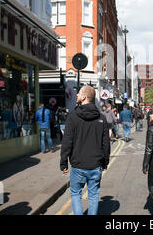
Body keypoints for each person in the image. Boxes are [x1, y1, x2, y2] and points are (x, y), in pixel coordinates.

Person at [60, 86, 110, 215]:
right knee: (93, 196)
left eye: (79, 94)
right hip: (95, 165)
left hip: (78, 165)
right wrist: (105, 162)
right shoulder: (101, 118)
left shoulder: (72, 116)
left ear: (84, 97)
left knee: (76, 194)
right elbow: (106, 143)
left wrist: (63, 162)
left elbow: (67, 141)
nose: (76, 95)